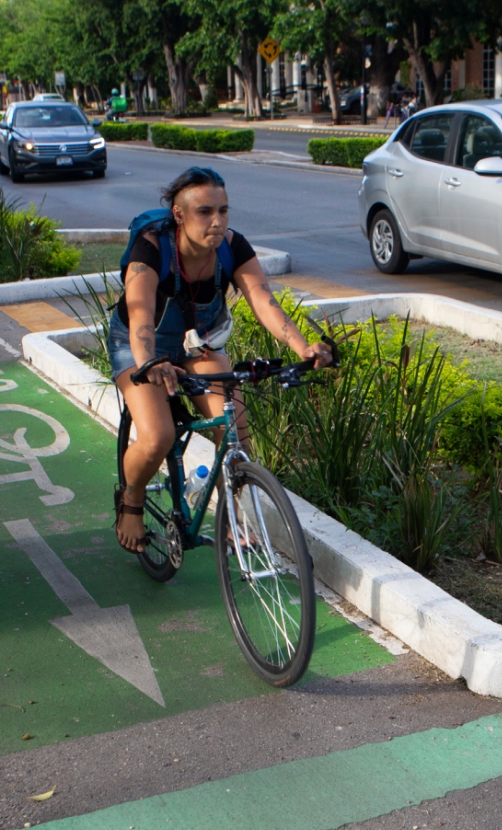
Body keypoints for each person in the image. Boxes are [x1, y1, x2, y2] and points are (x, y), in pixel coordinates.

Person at [109, 168, 334, 553]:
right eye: (205, 212)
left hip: (199, 342)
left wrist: (303, 349)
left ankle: (228, 514)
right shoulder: (151, 248)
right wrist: (148, 361)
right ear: (179, 214)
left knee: (235, 434)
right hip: (139, 345)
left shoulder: (232, 247)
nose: (217, 221)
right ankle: (131, 500)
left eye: (223, 210)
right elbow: (140, 311)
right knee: (158, 436)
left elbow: (263, 300)